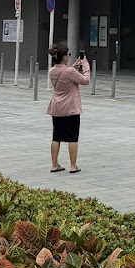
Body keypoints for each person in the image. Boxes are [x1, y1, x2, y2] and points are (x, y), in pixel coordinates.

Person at [46, 43, 89, 173]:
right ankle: (73, 165)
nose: (69, 56)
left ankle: (54, 164)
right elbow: (85, 80)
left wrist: (75, 65)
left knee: (56, 136)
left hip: (57, 108)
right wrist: (85, 65)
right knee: (72, 137)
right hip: (70, 109)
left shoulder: (52, 70)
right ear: (64, 56)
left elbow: (66, 73)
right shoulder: (69, 71)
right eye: (68, 54)